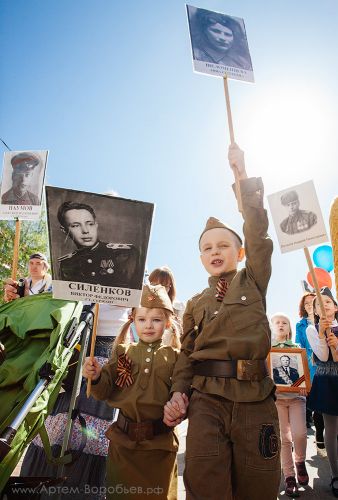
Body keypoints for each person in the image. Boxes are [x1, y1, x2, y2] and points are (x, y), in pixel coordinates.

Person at [163, 144, 281, 500]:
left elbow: (258, 234)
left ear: (239, 253)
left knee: (258, 487)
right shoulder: (196, 303)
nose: (215, 251)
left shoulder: (254, 279)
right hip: (207, 399)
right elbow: (186, 356)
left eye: (223, 245)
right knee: (205, 484)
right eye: (207, 248)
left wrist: (241, 176)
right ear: (200, 257)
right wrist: (179, 394)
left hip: (255, 398)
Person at [83, 284, 188, 500]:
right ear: (132, 320)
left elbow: (182, 386)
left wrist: (179, 405)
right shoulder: (123, 352)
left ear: (167, 322)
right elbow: (105, 390)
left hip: (159, 447)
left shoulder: (176, 357)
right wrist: (95, 376)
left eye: (156, 320)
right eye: (142, 319)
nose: (148, 325)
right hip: (123, 446)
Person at [56, 201, 139, 286]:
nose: (85, 231)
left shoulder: (125, 254)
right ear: (64, 230)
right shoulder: (67, 263)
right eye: (75, 225)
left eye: (90, 224)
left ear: (96, 225)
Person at [271, 313, 308, 497]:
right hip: (277, 399)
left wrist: (303, 385)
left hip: (296, 398)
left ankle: (300, 461)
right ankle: (289, 476)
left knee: (300, 434)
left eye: (284, 322)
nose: (280, 325)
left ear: (289, 327)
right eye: (277, 322)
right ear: (272, 327)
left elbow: (303, 373)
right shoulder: (268, 352)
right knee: (284, 438)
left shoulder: (297, 349)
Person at [306, 287, 338, 498]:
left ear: (335, 307)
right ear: (315, 310)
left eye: (328, 301)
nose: (324, 305)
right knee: (331, 430)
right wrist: (321, 334)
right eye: (319, 303)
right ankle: (336, 474)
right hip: (327, 381)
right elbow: (324, 356)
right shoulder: (311, 329)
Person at [296, 292, 325, 443]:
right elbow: (299, 346)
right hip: (310, 364)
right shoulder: (300, 325)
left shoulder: (325, 320)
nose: (309, 305)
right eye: (306, 303)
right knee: (315, 397)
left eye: (312, 302)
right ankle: (319, 433)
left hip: (327, 362)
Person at [148, 266, 183, 347]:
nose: (158, 288)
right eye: (154, 284)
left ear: (170, 287)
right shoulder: (139, 307)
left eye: (164, 285)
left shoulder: (179, 309)